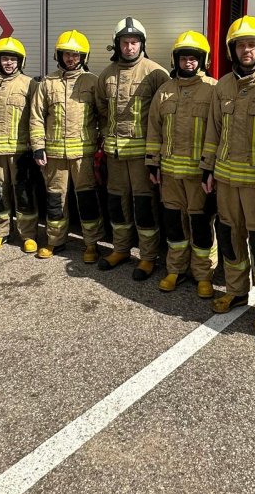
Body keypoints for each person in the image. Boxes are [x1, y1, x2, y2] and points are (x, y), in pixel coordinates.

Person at [199, 16, 255, 324]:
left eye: (252, 45)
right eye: (240, 45)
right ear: (231, 50)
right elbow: (213, 131)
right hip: (225, 181)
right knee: (229, 239)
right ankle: (236, 291)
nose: (246, 50)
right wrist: (208, 169)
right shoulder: (223, 85)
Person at [94, 17, 169, 278]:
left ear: (142, 44)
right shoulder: (107, 74)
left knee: (144, 206)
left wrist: (156, 154)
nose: (129, 47)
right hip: (115, 155)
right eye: (125, 42)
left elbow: (164, 115)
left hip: (141, 157)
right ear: (117, 44)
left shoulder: (155, 73)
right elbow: (102, 109)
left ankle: (148, 257)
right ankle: (121, 249)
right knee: (116, 205)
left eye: (134, 42)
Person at [145, 31, 218, 293]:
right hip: (169, 175)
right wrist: (153, 163)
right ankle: (175, 270)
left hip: (198, 176)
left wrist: (210, 169)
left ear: (203, 60)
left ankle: (203, 275)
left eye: (194, 58)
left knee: (201, 226)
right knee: (174, 225)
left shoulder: (213, 89)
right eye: (184, 58)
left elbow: (218, 132)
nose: (188, 62)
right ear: (175, 60)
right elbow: (154, 130)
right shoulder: (164, 91)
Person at [29, 30, 103, 262]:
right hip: (54, 154)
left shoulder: (93, 82)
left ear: (83, 57)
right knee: (55, 199)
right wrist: (38, 146)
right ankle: (55, 241)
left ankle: (91, 244)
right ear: (58, 55)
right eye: (67, 54)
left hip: (83, 153)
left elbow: (103, 115)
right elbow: (36, 117)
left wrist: (101, 144)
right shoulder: (47, 83)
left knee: (87, 199)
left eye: (76, 55)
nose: (71, 59)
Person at [0, 36, 39, 252]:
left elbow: (37, 117)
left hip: (20, 151)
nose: (9, 63)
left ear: (20, 62)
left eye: (13, 59)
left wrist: (36, 146)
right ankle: (0, 232)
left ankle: (28, 235)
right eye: (4, 59)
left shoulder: (30, 85)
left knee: (24, 193)